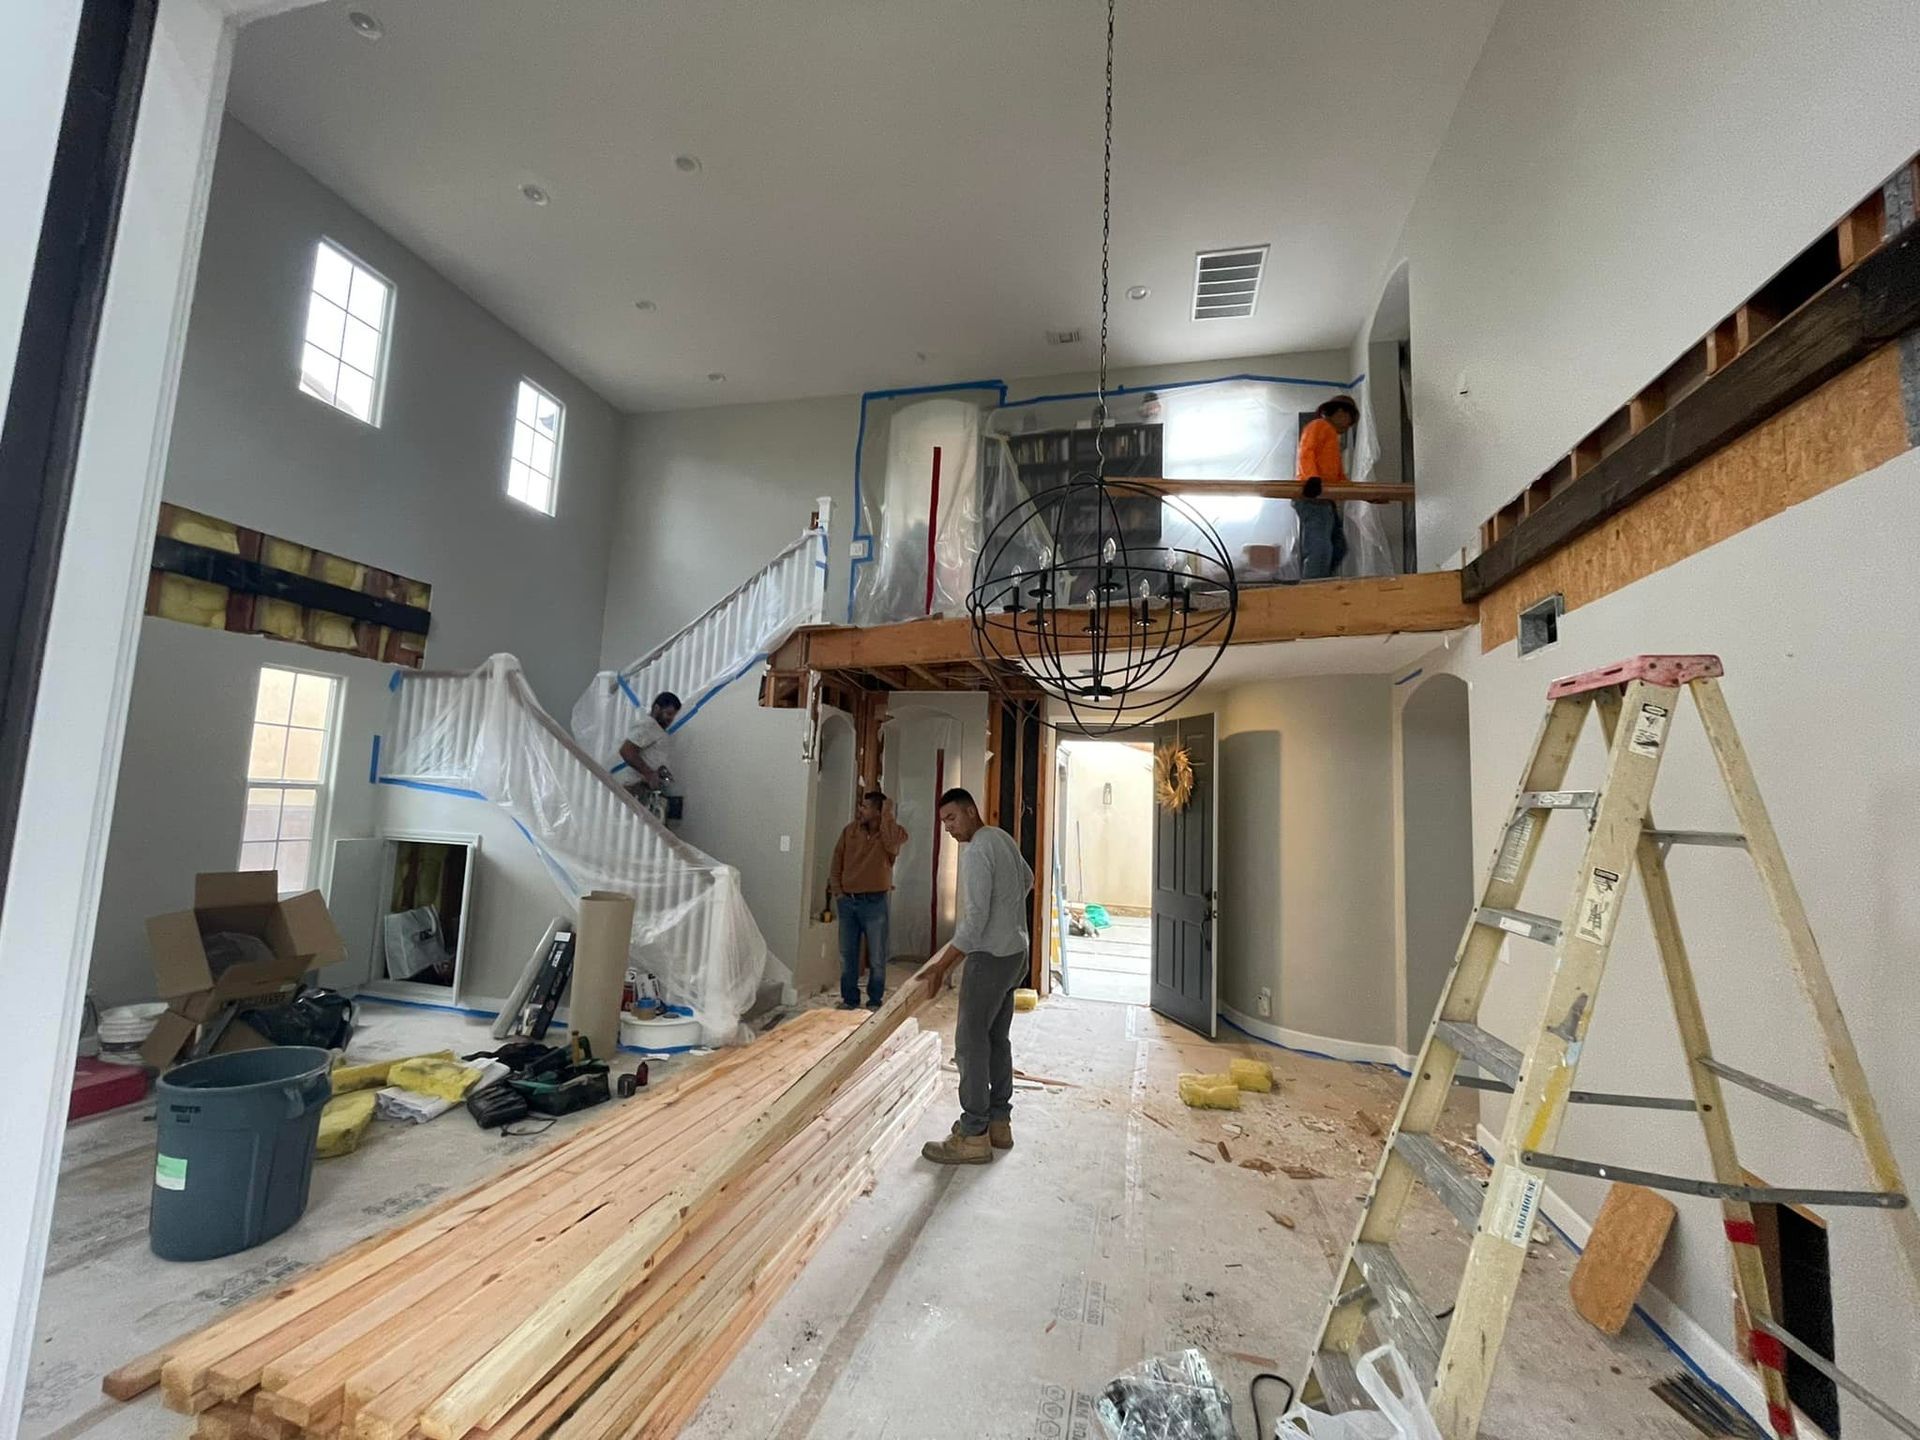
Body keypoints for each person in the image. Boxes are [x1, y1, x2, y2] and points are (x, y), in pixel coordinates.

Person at [918, 787, 1035, 1166]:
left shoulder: (977, 851)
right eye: (943, 822)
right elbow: (1028, 880)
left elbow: (973, 923)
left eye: (952, 818)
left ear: (970, 811)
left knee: (970, 1044)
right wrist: (1008, 911)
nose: (949, 828)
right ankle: (1000, 1123)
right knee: (996, 1039)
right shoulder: (1002, 838)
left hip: (990, 957)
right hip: (1016, 952)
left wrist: (941, 966)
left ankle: (972, 1134)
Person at [828, 790, 909, 1009]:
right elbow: (836, 863)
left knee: (877, 956)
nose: (860, 810)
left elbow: (894, 843)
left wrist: (888, 815)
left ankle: (875, 1000)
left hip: (875, 903)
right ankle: (850, 999)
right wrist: (839, 894)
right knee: (848, 956)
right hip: (848, 902)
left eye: (865, 807)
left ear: (877, 811)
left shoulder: (890, 835)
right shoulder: (849, 832)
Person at [1294, 394, 1359, 579]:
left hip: (1324, 499)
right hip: (1312, 496)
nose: (1349, 426)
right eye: (1350, 419)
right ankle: (1312, 590)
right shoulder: (1319, 426)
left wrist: (1369, 495)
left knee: (1338, 547)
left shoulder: (1332, 440)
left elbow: (1338, 476)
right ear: (1340, 412)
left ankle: (1321, 582)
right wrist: (1312, 478)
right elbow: (1306, 451)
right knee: (1320, 549)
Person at [619, 691, 682, 823]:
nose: (670, 720)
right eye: (668, 714)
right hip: (635, 788)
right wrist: (649, 773)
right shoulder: (648, 725)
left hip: (645, 791)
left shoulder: (657, 729)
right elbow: (627, 750)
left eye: (673, 716)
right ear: (656, 708)